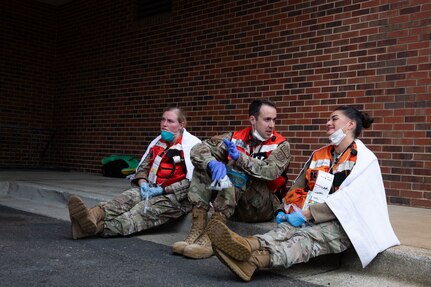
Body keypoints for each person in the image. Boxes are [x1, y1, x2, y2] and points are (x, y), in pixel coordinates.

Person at [206, 105, 400, 281]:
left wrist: (308, 214)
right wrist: (286, 209)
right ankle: (248, 245)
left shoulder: (365, 159)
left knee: (306, 238)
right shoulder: (320, 154)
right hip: (310, 214)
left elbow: (350, 201)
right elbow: (299, 187)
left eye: (334, 119)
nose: (328, 123)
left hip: (345, 223)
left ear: (350, 124)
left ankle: (254, 261)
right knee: (285, 229)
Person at [172, 99, 291, 259]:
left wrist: (240, 158)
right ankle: (197, 230)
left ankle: (212, 235)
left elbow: (271, 171)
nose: (272, 125)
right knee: (204, 166)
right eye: (267, 119)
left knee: (236, 166)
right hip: (234, 202)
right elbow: (198, 149)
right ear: (253, 120)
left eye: (274, 120)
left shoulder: (281, 145)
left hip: (261, 206)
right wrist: (212, 163)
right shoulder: (235, 137)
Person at [67, 107, 201, 239]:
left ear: (181, 125)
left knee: (139, 213)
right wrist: (143, 183)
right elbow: (142, 168)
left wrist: (162, 190)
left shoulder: (192, 146)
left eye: (170, 121)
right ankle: (92, 215)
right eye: (163, 120)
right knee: (125, 198)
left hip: (176, 197)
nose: (164, 124)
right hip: (151, 188)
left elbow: (194, 181)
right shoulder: (158, 143)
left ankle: (93, 228)